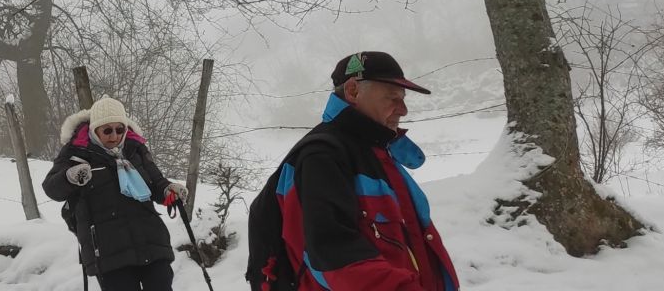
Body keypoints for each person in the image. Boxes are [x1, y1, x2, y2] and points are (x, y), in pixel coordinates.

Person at [244, 51, 460, 291]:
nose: (403, 110)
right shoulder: (322, 157)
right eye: (393, 98)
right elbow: (333, 256)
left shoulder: (376, 152)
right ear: (353, 91)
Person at [42, 97, 191, 290]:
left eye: (119, 129)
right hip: (108, 251)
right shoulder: (76, 154)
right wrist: (69, 177)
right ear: (94, 130)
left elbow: (156, 183)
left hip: (150, 240)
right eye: (107, 130)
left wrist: (168, 190)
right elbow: (51, 188)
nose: (114, 136)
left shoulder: (135, 150)